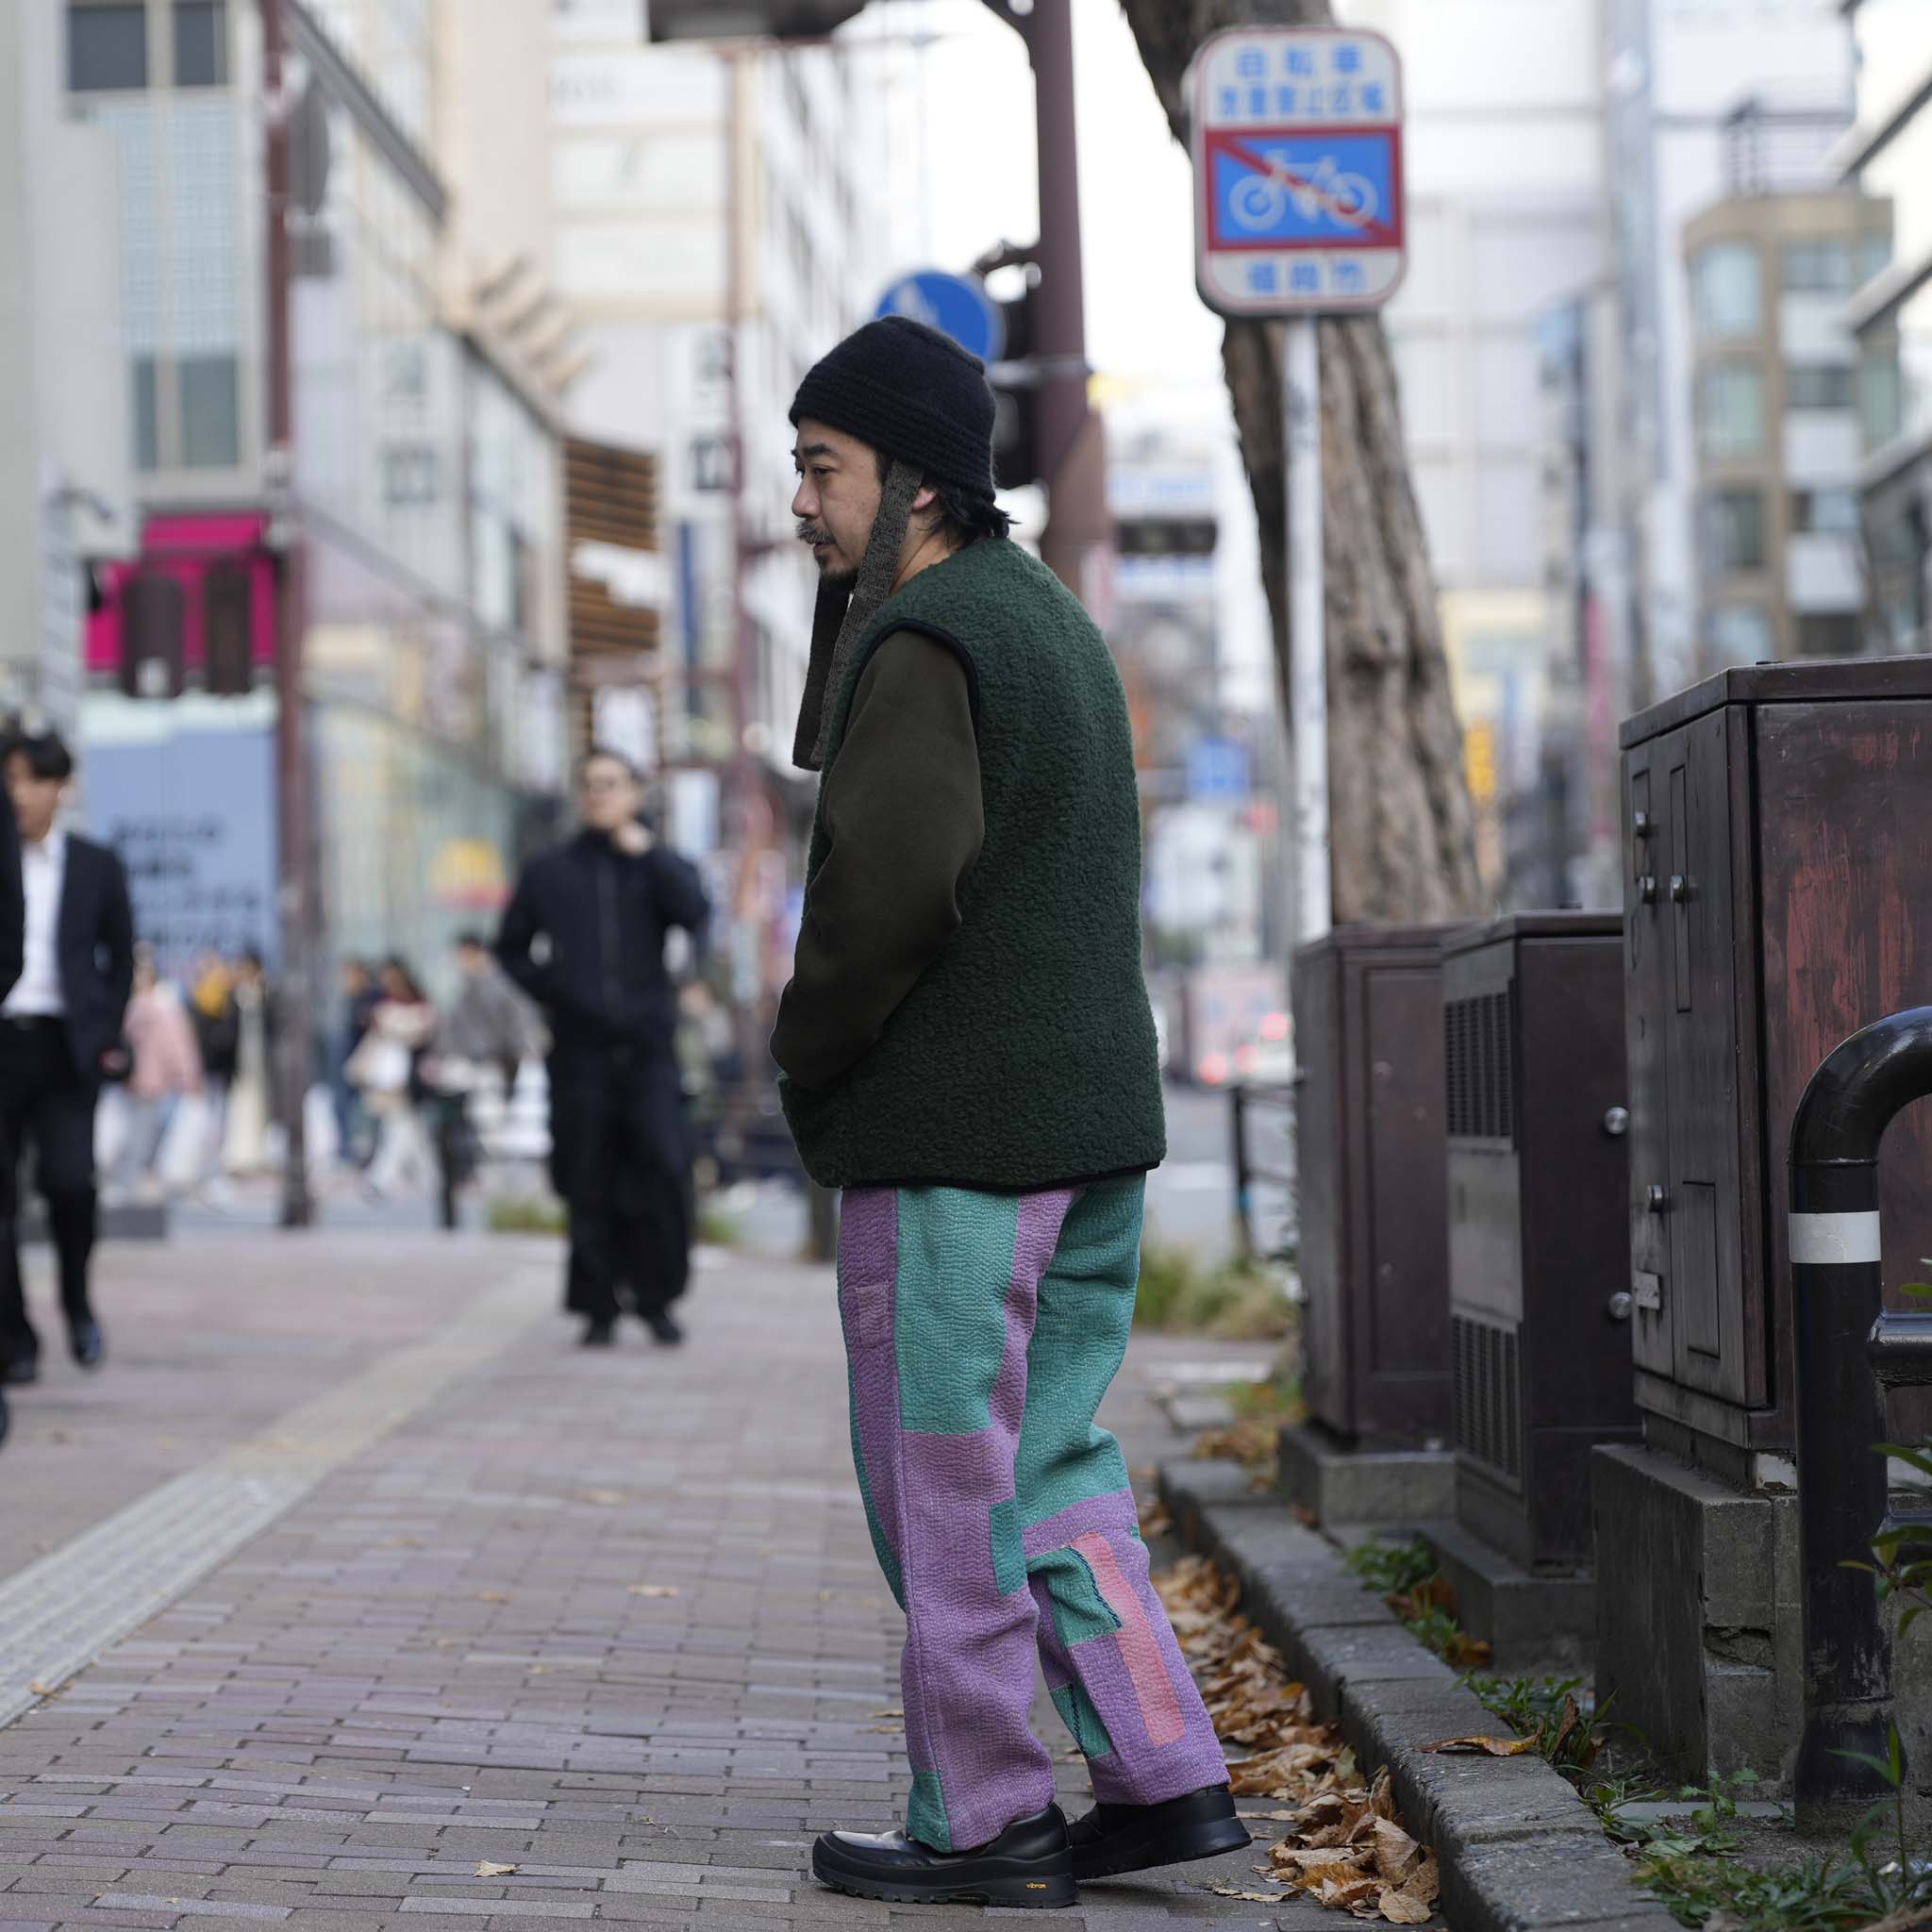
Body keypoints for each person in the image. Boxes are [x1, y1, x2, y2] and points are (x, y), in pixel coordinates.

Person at [770, 318, 1242, 1909]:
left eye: (821, 469)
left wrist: (804, 1061)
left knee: (943, 1485)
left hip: (957, 1142)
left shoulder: (929, 641)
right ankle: (1162, 1767)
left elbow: (882, 902)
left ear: (913, 482)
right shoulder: (1043, 619)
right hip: (1089, 1128)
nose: (800, 505)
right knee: (1054, 1471)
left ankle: (981, 1814)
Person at [496, 753, 708, 1348]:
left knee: (663, 1170)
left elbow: (695, 912)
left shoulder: (656, 866)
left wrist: (652, 853)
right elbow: (511, 948)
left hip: (648, 1051)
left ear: (635, 793)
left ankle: (658, 1299)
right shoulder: (550, 870)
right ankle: (597, 1307)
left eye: (611, 785)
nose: (599, 795)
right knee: (586, 1177)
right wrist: (556, 993)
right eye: (589, 785)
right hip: (580, 1052)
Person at [0, 730, 136, 1384]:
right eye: (11, 778)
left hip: (65, 1047)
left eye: (33, 780)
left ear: (61, 789)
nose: (18, 793)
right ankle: (14, 1333)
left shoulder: (95, 865)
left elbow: (120, 955)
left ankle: (77, 1302)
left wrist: (105, 1029)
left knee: (69, 1182)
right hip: (2, 1040)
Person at [114, 946, 205, 1200]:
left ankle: (134, 1177)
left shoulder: (160, 1005)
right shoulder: (138, 1004)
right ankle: (132, 1177)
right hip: (137, 1080)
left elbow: (176, 1045)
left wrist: (185, 1074)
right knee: (140, 1131)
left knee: (146, 1132)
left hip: (155, 1080)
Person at [353, 958, 438, 1199]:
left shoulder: (418, 1006)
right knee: (403, 1129)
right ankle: (426, 1179)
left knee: (406, 1130)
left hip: (410, 1079)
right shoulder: (380, 1004)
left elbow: (424, 1033)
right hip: (388, 1079)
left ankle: (383, 1178)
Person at [220, 950, 275, 1177]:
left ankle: (259, 1154)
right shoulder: (234, 995)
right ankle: (239, 1155)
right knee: (240, 1106)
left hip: (260, 1059)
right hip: (240, 1061)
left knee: (261, 1107)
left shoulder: (265, 994)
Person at [332, 958, 381, 1168]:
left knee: (368, 1112)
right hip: (347, 1064)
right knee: (342, 1107)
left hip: (366, 1064)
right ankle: (348, 1151)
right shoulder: (347, 1000)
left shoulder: (370, 999)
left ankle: (367, 1153)